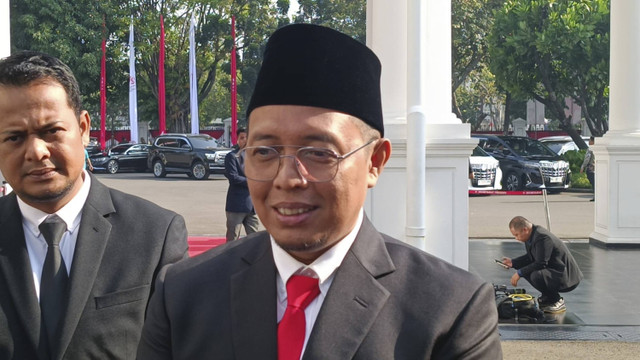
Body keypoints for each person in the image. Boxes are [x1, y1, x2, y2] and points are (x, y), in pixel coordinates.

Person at [137, 24, 502, 359]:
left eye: (318, 153)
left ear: (375, 161)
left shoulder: (450, 310)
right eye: (264, 152)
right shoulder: (184, 293)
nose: (287, 179)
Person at [0, 51, 189, 359]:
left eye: (51, 131)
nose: (36, 152)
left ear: (84, 128)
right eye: (14, 138)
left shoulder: (156, 235)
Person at [500, 216, 583, 314]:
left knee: (536, 275)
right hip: (554, 270)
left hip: (566, 277)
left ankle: (556, 300)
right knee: (526, 270)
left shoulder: (542, 237)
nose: (516, 238)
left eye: (517, 235)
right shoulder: (532, 235)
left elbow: (541, 263)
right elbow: (532, 257)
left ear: (525, 229)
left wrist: (519, 273)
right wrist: (513, 262)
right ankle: (548, 296)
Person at [224, 127, 259, 242]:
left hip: (252, 205)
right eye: (242, 138)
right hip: (236, 205)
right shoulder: (232, 157)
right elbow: (233, 177)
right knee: (232, 239)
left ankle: (254, 260)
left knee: (255, 239)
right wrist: (252, 181)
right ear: (237, 140)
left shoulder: (255, 158)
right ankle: (230, 260)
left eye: (247, 138)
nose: (245, 140)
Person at [580, 136, 595, 201]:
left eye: (590, 140)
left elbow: (587, 159)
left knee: (593, 183)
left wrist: (583, 166)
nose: (589, 142)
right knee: (595, 183)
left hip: (591, 168)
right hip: (596, 168)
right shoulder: (598, 149)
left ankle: (596, 196)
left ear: (592, 141)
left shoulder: (590, 149)